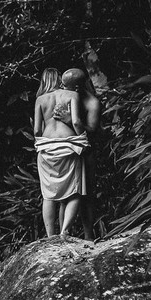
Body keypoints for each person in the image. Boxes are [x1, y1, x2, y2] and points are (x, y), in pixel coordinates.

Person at [33, 68, 88, 236]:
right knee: (74, 191)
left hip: (47, 148)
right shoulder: (72, 95)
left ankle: (50, 236)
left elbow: (36, 130)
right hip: (69, 146)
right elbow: (77, 122)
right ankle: (64, 231)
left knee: (48, 195)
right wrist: (83, 139)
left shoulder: (40, 100)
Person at [60, 68, 103, 239]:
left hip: (87, 152)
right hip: (66, 151)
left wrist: (71, 121)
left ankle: (88, 235)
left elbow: (92, 130)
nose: (61, 89)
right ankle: (61, 235)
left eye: (65, 86)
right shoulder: (65, 96)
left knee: (87, 195)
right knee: (65, 194)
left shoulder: (92, 103)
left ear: (76, 88)